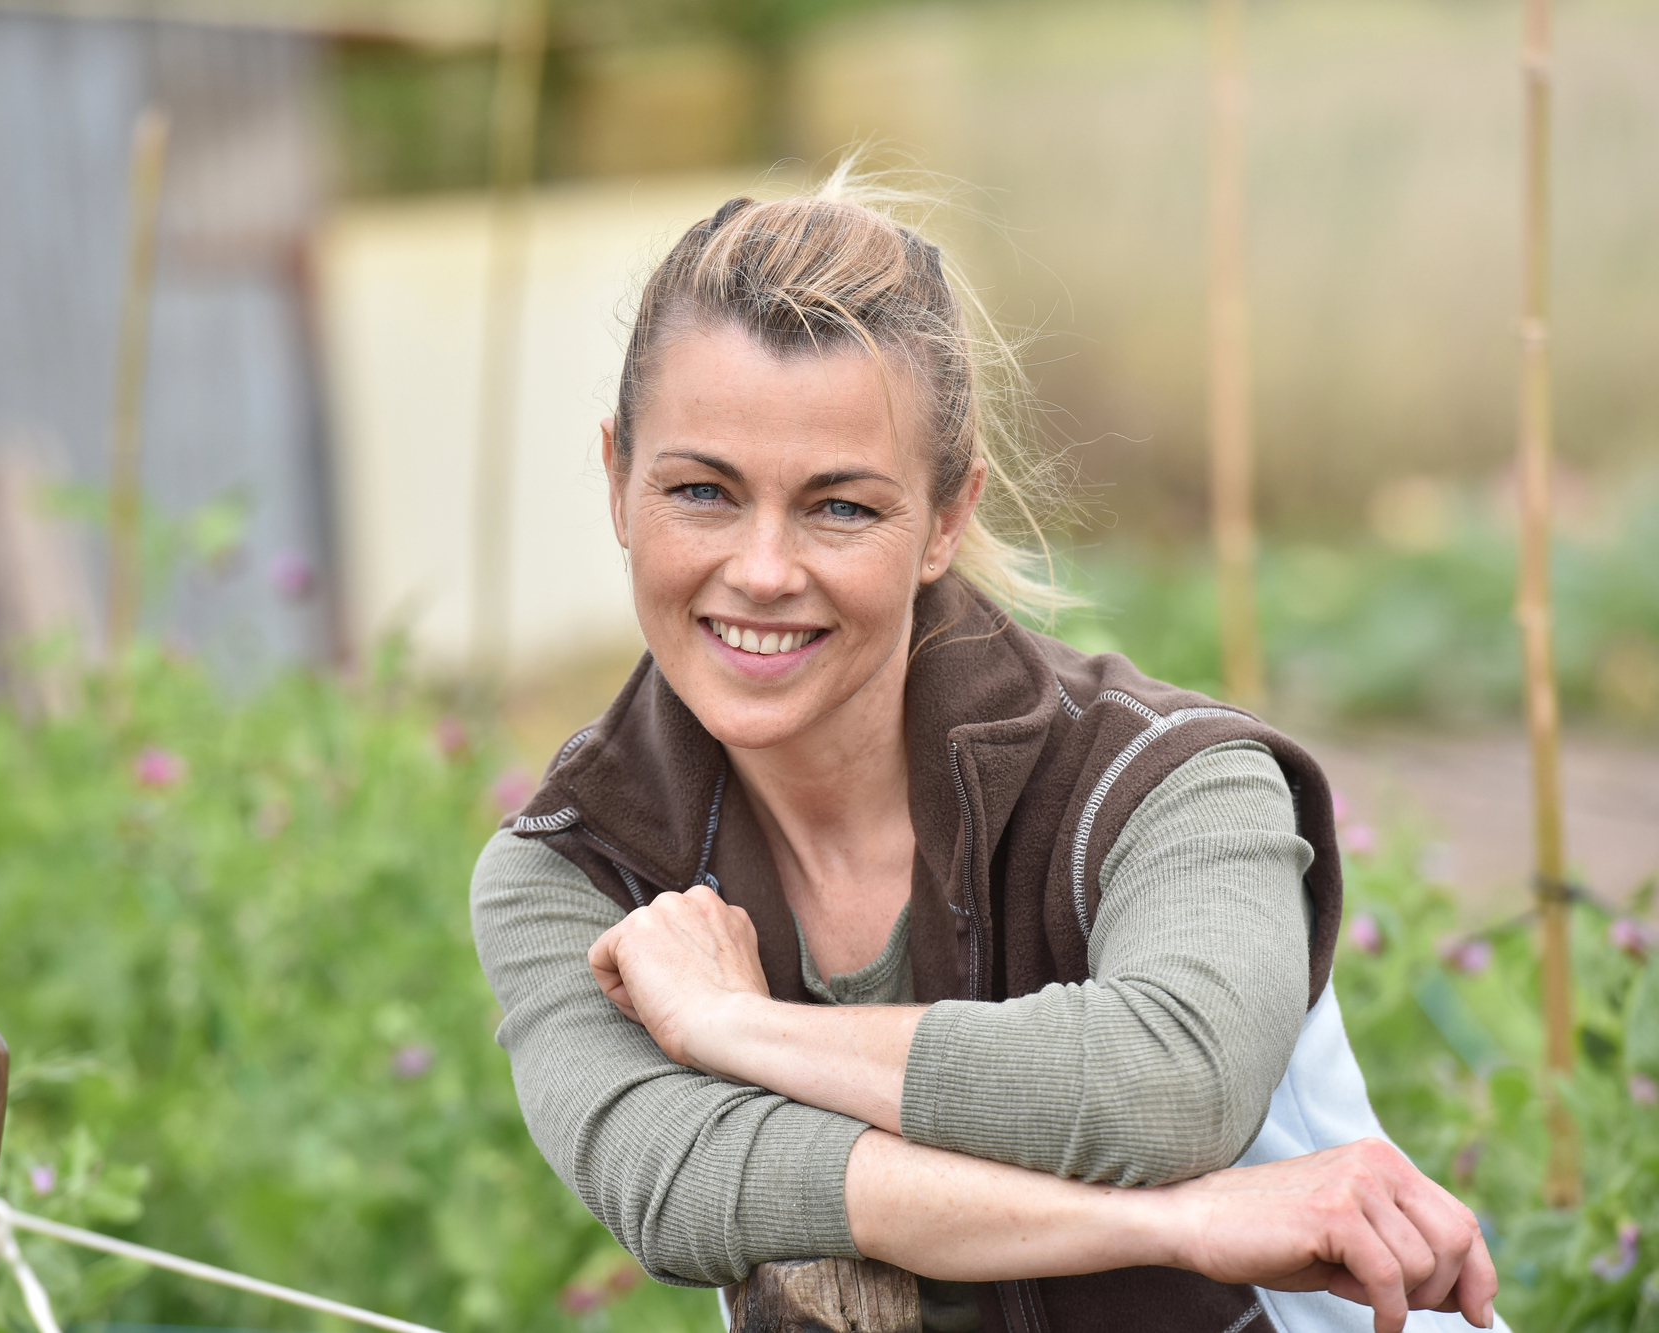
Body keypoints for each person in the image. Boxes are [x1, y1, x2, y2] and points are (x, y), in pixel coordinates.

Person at [470, 172, 1501, 1333]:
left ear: (946, 518)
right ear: (616, 480)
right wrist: (1177, 1225)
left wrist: (735, 1029)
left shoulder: (1168, 783)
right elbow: (681, 1180)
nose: (761, 569)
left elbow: (1169, 1087)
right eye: (701, 491)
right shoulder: (576, 868)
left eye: (839, 507)